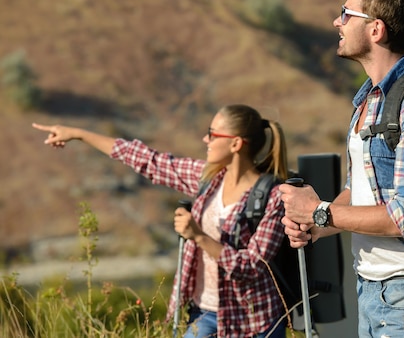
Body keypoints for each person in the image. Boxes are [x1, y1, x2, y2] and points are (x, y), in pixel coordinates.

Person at [279, 0, 404, 338]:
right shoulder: (369, 100)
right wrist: (316, 226)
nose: (336, 22)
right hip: (372, 289)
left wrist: (321, 213)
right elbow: (362, 194)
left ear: (376, 29)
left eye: (346, 14)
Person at [32, 104, 290, 338]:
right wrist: (79, 134)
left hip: (254, 322)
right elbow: (148, 160)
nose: (205, 139)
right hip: (204, 314)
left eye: (212, 134)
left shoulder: (272, 197)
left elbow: (251, 266)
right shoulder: (208, 179)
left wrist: (199, 236)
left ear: (235, 144)